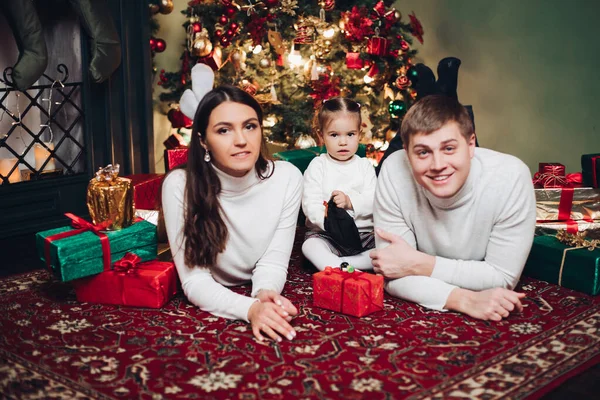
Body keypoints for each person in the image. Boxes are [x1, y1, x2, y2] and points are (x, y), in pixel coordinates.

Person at [370, 95, 536, 321]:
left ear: (470, 145)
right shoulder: (393, 171)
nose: (438, 165)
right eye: (423, 152)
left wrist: (418, 264)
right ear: (407, 154)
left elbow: (502, 277)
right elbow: (393, 271)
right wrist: (464, 299)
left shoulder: (510, 177)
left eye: (448, 148)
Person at [162, 85, 303, 343]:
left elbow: (274, 259)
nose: (241, 140)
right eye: (224, 130)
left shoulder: (287, 178)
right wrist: (249, 309)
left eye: (250, 126)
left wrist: (265, 292)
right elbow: (194, 280)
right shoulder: (179, 185)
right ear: (203, 140)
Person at [301, 97, 377, 271]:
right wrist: (330, 221)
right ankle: (337, 263)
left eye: (350, 134)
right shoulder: (318, 166)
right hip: (327, 235)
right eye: (334, 135)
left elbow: (374, 200)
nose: (343, 142)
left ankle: (344, 266)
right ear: (321, 136)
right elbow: (310, 205)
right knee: (310, 246)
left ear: (359, 133)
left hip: (362, 234)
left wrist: (351, 202)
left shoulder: (364, 166)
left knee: (387, 248)